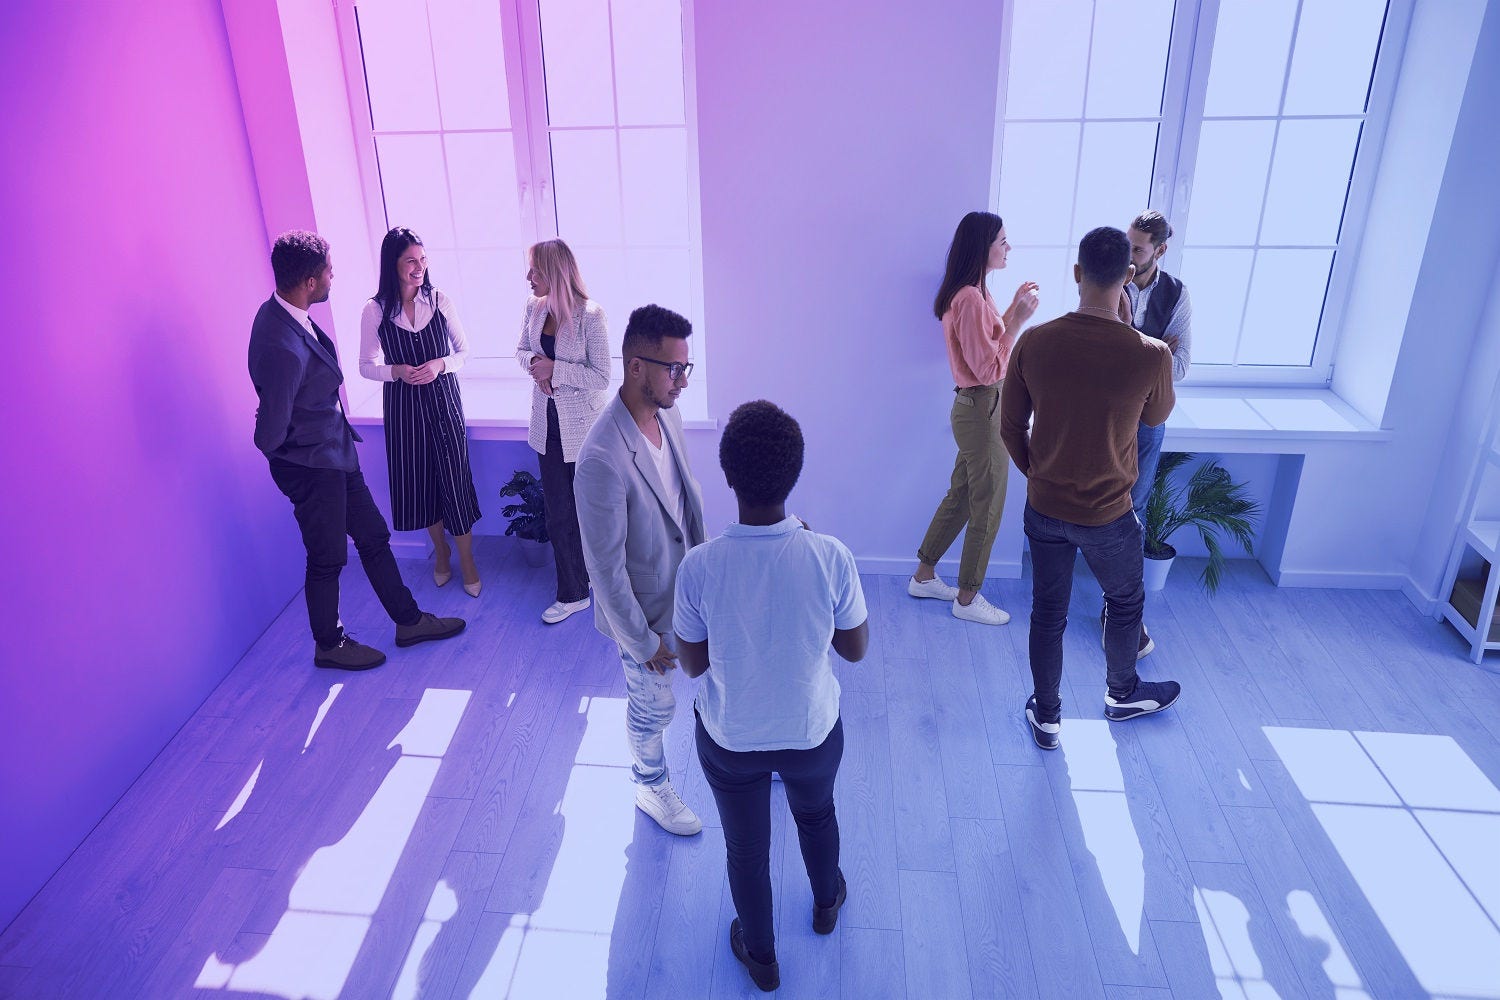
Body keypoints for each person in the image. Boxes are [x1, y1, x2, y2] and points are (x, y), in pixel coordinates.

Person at [675, 400, 870, 993]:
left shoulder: (699, 566)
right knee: (817, 815)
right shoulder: (829, 555)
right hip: (812, 734)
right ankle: (826, 903)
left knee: (746, 850)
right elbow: (855, 650)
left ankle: (761, 959)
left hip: (732, 741)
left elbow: (691, 664)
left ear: (728, 475)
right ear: (796, 471)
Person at [999, 226, 1181, 751]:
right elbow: (1157, 415)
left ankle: (1048, 717)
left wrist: (1039, 474)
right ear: (1128, 277)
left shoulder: (1035, 342)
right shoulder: (1150, 354)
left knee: (1047, 611)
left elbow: (1010, 427)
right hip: (1109, 516)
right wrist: (1129, 331)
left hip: (1045, 507)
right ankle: (1122, 694)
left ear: (1077, 274)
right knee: (1125, 602)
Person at [249, 230, 465, 670]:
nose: (334, 276)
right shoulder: (282, 344)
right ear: (310, 281)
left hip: (335, 454)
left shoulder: (281, 313)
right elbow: (269, 432)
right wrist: (297, 472)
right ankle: (329, 644)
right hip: (314, 467)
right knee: (328, 557)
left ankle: (408, 621)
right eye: (328, 270)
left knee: (373, 537)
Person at [574, 304, 705, 836]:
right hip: (645, 618)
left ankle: (741, 746)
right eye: (673, 369)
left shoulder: (667, 414)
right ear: (634, 366)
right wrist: (642, 642)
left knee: (714, 678)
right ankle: (650, 783)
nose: (682, 381)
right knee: (654, 708)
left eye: (686, 368)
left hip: (691, 590)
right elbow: (604, 572)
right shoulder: (601, 459)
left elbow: (682, 511)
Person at [909, 211, 1040, 625]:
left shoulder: (976, 294)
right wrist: (1018, 320)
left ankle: (924, 575)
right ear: (981, 246)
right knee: (989, 503)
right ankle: (967, 599)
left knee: (964, 495)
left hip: (981, 406)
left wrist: (1011, 309)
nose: (1008, 247)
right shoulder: (968, 296)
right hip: (982, 406)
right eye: (1002, 241)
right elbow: (986, 368)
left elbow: (987, 343)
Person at [359, 227, 484, 596]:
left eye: (423, 259)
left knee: (455, 481)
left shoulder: (440, 300)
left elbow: (464, 353)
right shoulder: (375, 310)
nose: (419, 267)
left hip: (444, 401)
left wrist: (440, 365)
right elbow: (365, 366)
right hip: (403, 408)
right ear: (392, 263)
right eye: (411, 260)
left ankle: (468, 560)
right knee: (422, 482)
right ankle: (442, 553)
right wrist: (394, 371)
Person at [1110, 210, 1193, 657]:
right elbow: (1101, 356)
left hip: (1148, 421)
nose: (1129, 255)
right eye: (1127, 244)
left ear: (1160, 251)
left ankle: (1118, 609)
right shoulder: (1109, 282)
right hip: (1106, 415)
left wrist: (1132, 344)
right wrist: (1156, 349)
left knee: (1134, 510)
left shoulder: (1178, 296)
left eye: (1138, 249)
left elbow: (1180, 368)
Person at [515, 239, 611, 624]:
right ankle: (573, 593)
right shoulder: (534, 308)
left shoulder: (591, 315)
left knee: (595, 512)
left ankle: (608, 585)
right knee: (558, 513)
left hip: (585, 429)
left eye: (534, 270)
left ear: (554, 271)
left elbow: (602, 376)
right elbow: (521, 350)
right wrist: (536, 362)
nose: (528, 277)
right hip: (547, 426)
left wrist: (556, 368)